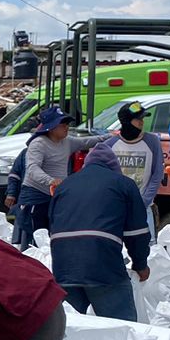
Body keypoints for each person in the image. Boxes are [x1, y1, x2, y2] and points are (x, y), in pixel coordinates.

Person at [49, 142, 151, 321]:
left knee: (72, 330)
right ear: (114, 167)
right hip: (102, 265)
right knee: (121, 329)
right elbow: (137, 233)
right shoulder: (123, 184)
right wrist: (140, 264)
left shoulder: (65, 185)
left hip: (63, 265)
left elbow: (53, 225)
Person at [15, 106, 110, 249]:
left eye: (67, 124)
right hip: (35, 196)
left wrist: (111, 136)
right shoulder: (38, 144)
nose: (67, 127)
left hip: (56, 195)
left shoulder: (68, 142)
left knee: (54, 235)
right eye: (63, 124)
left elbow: (88, 141)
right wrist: (50, 180)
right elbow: (32, 169)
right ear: (51, 128)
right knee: (33, 238)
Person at [110, 100, 165, 227]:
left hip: (143, 206)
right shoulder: (110, 144)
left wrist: (144, 201)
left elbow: (157, 174)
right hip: (116, 207)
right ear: (126, 121)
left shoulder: (152, 141)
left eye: (142, 118)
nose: (142, 122)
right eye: (137, 119)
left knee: (147, 244)